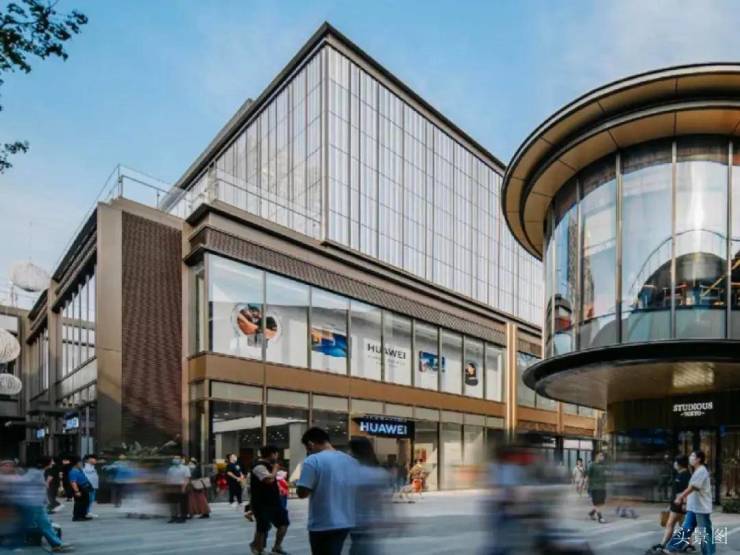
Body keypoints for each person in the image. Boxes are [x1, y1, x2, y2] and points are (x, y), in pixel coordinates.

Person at [297, 427, 358, 555]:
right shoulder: (352, 461)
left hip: (322, 523)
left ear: (310, 444)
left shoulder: (313, 460)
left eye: (307, 448)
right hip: (346, 522)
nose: (308, 451)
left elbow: (302, 493)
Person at [20, 457, 75, 552]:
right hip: (34, 503)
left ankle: (56, 543)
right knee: (45, 524)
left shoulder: (37, 472)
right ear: (45, 463)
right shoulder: (35, 473)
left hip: (35, 502)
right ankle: (56, 544)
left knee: (45, 523)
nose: (53, 463)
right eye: (51, 461)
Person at [665, 450, 715, 555]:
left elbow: (693, 487)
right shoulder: (696, 471)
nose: (690, 458)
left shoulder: (701, 471)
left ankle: (709, 553)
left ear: (698, 459)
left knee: (705, 532)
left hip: (701, 508)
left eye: (693, 456)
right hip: (694, 507)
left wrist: (681, 497)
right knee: (686, 528)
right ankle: (671, 548)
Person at [348, 437, 391, 555]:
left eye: (350, 450)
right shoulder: (379, 473)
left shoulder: (352, 473)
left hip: (356, 521)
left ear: (355, 452)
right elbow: (383, 499)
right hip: (370, 522)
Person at [249, 445, 290, 555]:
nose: (277, 456)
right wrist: (275, 469)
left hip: (274, 501)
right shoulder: (258, 466)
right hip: (261, 502)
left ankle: (277, 546)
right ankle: (258, 548)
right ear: (272, 454)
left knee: (284, 523)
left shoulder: (269, 465)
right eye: (276, 454)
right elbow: (269, 480)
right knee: (263, 526)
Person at [649, 455, 692, 553]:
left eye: (676, 462)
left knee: (670, 524)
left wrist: (684, 503)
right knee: (683, 525)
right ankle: (690, 545)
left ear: (680, 464)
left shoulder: (685, 476)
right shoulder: (681, 474)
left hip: (679, 504)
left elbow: (686, 491)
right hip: (677, 504)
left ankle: (663, 544)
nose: (674, 464)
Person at [165, 455, 191, 523]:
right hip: (173, 486)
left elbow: (187, 479)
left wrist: (184, 487)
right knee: (173, 502)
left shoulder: (185, 468)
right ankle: (174, 516)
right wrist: (168, 487)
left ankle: (183, 517)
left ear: (180, 460)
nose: (175, 460)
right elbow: (168, 478)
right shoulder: (171, 468)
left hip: (182, 486)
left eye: (177, 458)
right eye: (174, 458)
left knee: (183, 503)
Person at [586, 451, 608, 524]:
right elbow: (587, 476)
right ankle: (600, 518)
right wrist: (585, 485)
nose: (602, 457)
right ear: (596, 456)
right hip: (594, 487)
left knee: (601, 504)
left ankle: (592, 513)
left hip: (602, 487)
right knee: (597, 503)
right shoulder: (592, 465)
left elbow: (605, 476)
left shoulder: (603, 465)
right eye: (601, 455)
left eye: (603, 456)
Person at [82, 454, 99, 518]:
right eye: (94, 459)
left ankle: (88, 512)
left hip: (92, 486)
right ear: (88, 460)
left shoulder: (92, 467)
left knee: (91, 500)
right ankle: (86, 512)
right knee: (88, 500)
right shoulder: (86, 468)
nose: (95, 460)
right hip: (88, 486)